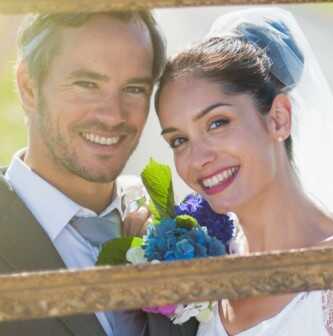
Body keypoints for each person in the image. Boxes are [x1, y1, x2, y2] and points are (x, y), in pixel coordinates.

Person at [155, 8, 333, 335]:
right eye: (179, 140)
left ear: (278, 117)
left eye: (217, 123)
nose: (198, 158)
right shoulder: (204, 267)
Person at [0, 11, 197, 336]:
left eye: (134, 89)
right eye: (87, 84)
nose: (112, 116)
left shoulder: (177, 228)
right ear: (29, 87)